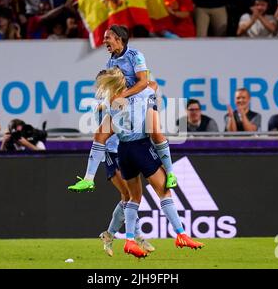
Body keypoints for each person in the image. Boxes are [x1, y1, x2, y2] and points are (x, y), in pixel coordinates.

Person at [83, 67, 204, 258]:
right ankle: (179, 234)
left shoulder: (108, 101)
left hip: (122, 150)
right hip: (134, 148)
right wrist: (142, 85)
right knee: (162, 191)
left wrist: (89, 175)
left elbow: (101, 133)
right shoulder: (141, 94)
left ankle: (128, 238)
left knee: (131, 197)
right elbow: (153, 88)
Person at [68, 25, 177, 192]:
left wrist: (122, 95)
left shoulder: (135, 56)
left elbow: (142, 82)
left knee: (155, 132)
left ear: (119, 39)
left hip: (145, 96)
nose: (104, 41)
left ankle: (170, 173)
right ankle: (88, 179)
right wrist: (107, 101)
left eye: (107, 38)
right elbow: (114, 87)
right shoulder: (111, 60)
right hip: (127, 103)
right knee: (100, 134)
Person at [92, 71, 155, 257]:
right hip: (111, 153)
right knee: (129, 195)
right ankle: (135, 236)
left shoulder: (123, 96)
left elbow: (151, 85)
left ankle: (111, 235)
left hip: (125, 151)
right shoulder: (103, 100)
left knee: (127, 197)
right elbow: (103, 109)